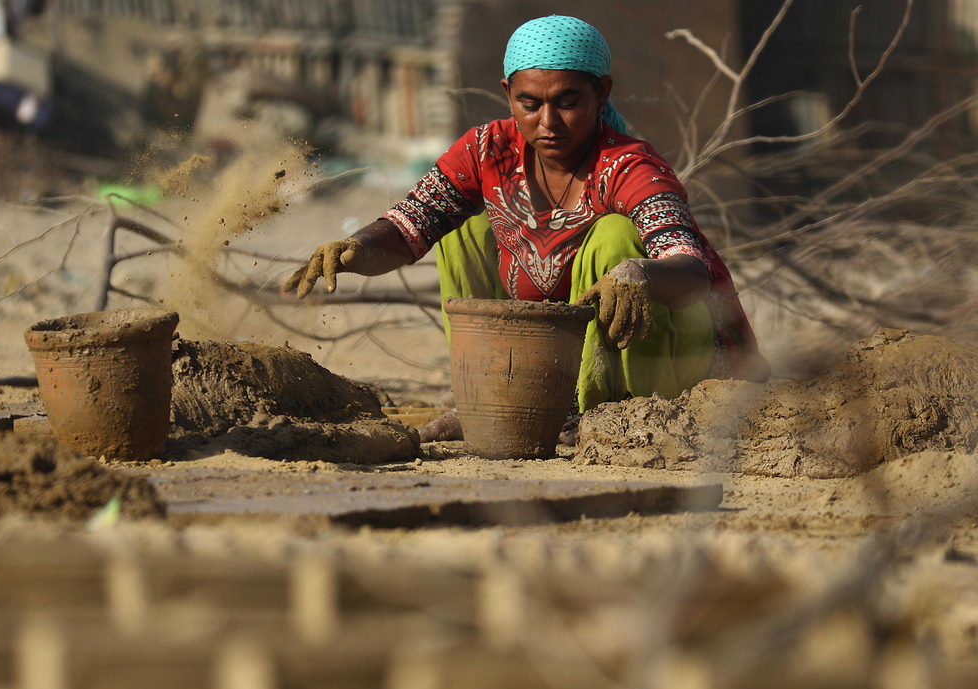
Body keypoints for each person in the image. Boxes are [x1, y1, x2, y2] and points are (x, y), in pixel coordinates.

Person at [284, 15, 769, 442]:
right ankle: (490, 399)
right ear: (507, 95)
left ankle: (608, 417)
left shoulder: (628, 165)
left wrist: (639, 273)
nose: (547, 121)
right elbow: (412, 223)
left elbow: (690, 269)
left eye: (567, 101)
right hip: (559, 360)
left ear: (602, 93)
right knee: (462, 231)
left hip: (675, 359)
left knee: (616, 239)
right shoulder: (487, 149)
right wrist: (357, 248)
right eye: (530, 103)